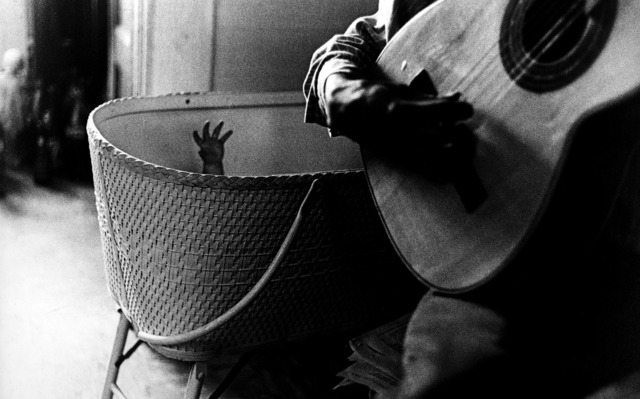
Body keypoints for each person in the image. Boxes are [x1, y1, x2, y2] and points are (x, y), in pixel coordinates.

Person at [303, 1, 640, 398]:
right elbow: (367, 38)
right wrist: (339, 89)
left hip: (621, 266)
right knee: (439, 367)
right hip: (496, 262)